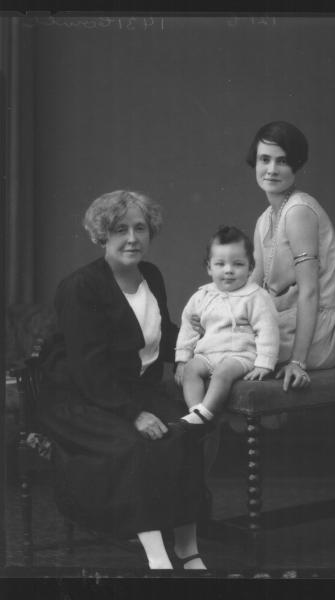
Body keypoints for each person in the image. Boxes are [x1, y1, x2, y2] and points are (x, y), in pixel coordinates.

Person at [38, 190, 206, 570]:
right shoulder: (80, 287)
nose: (132, 238)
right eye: (120, 229)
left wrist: (203, 354)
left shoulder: (151, 276)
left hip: (129, 391)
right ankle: (158, 557)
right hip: (78, 398)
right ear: (102, 235)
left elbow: (167, 335)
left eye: (140, 228)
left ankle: (188, 549)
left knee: (185, 431)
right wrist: (135, 414)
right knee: (136, 445)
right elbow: (88, 369)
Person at [246, 121, 335, 391]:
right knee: (220, 338)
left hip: (319, 331)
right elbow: (253, 287)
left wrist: (297, 362)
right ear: (254, 162)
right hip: (287, 321)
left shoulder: (298, 211)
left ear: (296, 165)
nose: (271, 169)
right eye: (264, 159)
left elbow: (310, 293)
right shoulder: (264, 219)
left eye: (282, 161)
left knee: (231, 349)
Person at [173, 226, 279, 435]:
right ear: (209, 268)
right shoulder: (202, 296)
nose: (228, 270)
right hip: (207, 354)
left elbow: (268, 329)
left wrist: (264, 364)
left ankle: (206, 413)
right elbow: (188, 328)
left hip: (240, 355)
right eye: (220, 264)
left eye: (238, 264)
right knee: (191, 370)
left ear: (250, 268)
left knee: (222, 373)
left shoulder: (255, 296)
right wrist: (182, 360)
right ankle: (196, 412)